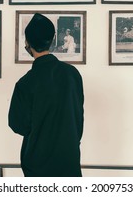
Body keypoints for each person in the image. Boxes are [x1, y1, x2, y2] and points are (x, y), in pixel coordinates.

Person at [8, 13, 84, 177]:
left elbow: (17, 125)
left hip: (37, 162)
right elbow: (78, 116)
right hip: (69, 159)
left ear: (27, 43)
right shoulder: (72, 74)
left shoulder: (25, 83)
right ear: (52, 39)